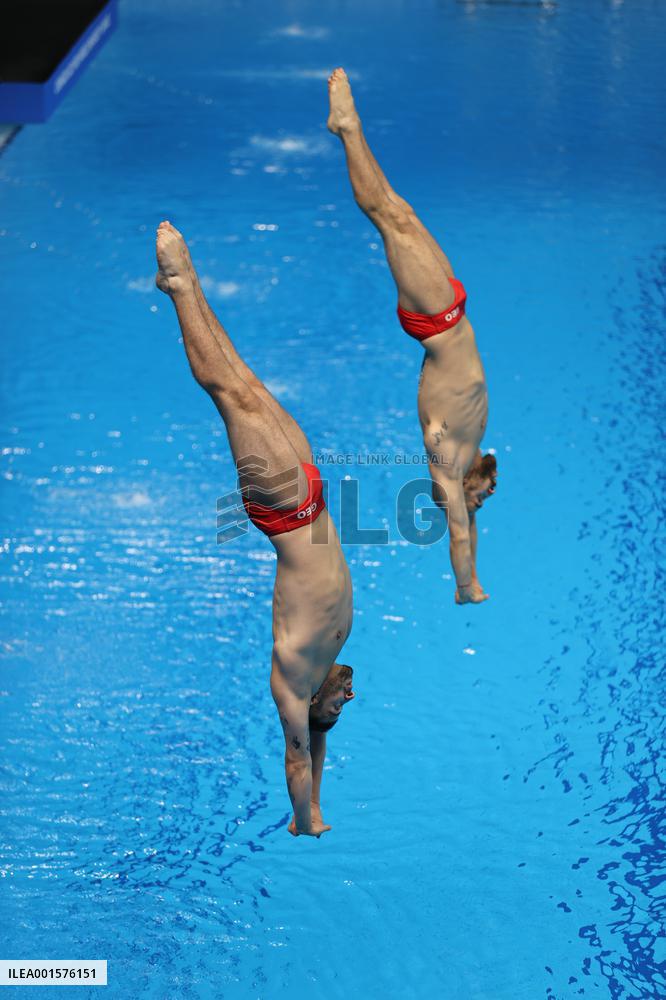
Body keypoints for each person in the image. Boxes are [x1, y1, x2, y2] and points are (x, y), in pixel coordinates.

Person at [155, 221, 355, 836]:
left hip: (283, 508)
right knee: (245, 378)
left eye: (337, 709)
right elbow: (318, 749)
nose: (347, 700)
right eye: (342, 705)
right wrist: (321, 793)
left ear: (312, 709)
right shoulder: (329, 659)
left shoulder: (293, 684)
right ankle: (181, 285)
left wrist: (305, 817)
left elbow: (299, 752)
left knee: (228, 393)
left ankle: (181, 285)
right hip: (311, 494)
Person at [327, 69, 497, 605]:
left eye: (481, 500)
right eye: (485, 497)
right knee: (400, 210)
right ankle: (350, 129)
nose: (486, 499)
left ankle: (348, 129)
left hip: (437, 319)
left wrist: (466, 585)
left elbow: (462, 534)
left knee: (386, 217)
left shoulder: (448, 470)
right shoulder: (470, 450)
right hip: (452, 308)